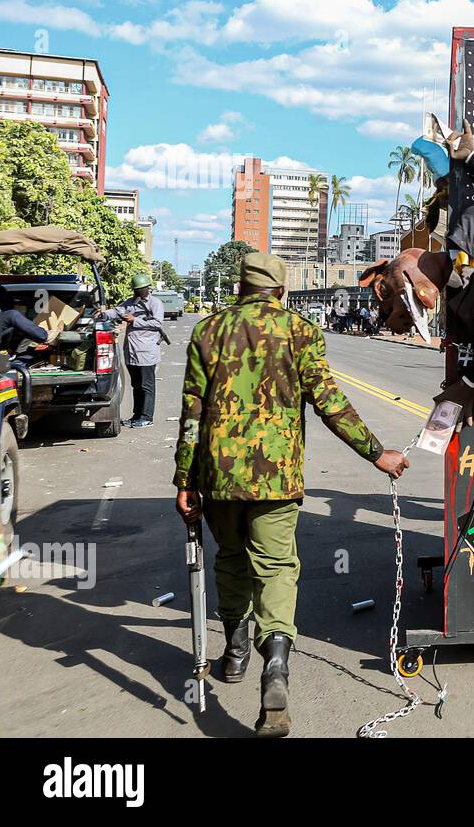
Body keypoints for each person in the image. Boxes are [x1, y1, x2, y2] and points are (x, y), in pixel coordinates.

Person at [172, 252, 410, 737]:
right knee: (277, 567)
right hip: (277, 481)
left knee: (231, 560)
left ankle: (236, 653)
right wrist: (376, 454)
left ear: (240, 286)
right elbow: (330, 403)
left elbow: (191, 414)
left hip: (218, 478)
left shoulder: (207, 331)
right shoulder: (301, 332)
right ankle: (275, 667)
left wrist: (184, 481)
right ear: (281, 291)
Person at [100, 272, 166, 428]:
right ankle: (137, 416)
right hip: (131, 351)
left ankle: (147, 417)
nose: (139, 292)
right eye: (137, 289)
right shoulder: (130, 302)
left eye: (142, 289)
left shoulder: (155, 303)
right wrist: (103, 314)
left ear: (148, 288)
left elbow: (157, 324)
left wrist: (134, 320)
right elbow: (117, 311)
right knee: (136, 385)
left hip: (147, 352)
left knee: (146, 385)